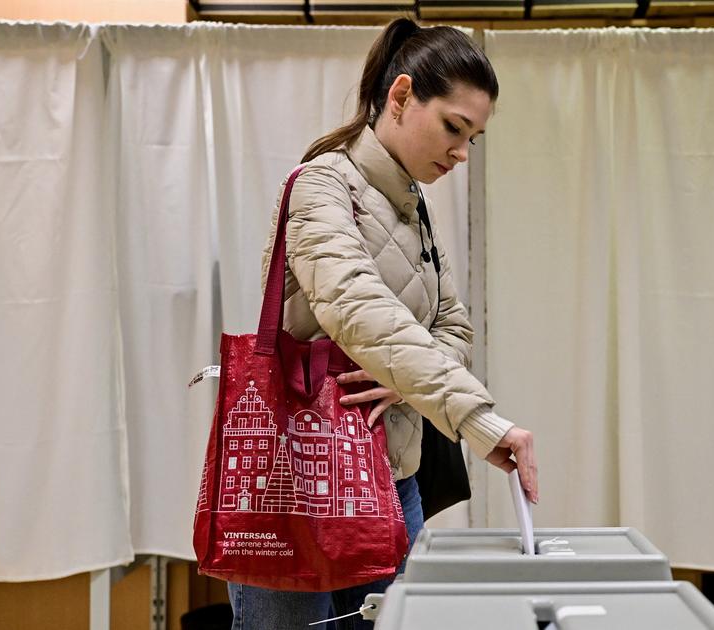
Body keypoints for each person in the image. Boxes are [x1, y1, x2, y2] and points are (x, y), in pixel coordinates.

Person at [227, 18, 539, 630]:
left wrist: (401, 380)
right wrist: (476, 418)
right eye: (454, 127)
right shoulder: (320, 184)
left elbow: (454, 327)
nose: (461, 152)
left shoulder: (412, 207)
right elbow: (357, 308)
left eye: (474, 137)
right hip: (295, 487)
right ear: (400, 97)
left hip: (394, 482)